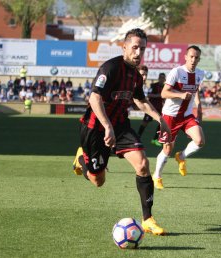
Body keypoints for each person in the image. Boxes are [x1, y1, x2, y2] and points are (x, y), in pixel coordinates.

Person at [72, 28, 171, 236]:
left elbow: (141, 101)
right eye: (134, 47)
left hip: (120, 126)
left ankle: (147, 219)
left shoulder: (136, 75)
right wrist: (107, 126)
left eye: (142, 49)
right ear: (124, 47)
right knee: (97, 181)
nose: (138, 53)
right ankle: (81, 159)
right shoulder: (110, 68)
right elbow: (94, 98)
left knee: (143, 164)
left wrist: (160, 119)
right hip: (95, 127)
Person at [153, 45, 206, 190]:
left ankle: (181, 156)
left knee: (200, 141)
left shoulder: (200, 74)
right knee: (167, 149)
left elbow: (195, 93)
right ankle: (156, 176)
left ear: (199, 59)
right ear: (186, 57)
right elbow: (164, 93)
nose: (193, 60)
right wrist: (180, 95)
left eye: (196, 57)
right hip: (171, 115)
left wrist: (199, 108)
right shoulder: (176, 72)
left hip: (187, 115)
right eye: (191, 57)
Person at [138, 71, 166, 146]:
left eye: (163, 78)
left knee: (161, 123)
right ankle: (137, 137)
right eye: (161, 78)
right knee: (145, 123)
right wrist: (159, 95)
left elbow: (164, 98)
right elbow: (149, 95)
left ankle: (155, 139)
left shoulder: (165, 87)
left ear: (165, 79)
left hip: (159, 108)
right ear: (159, 78)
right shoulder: (153, 85)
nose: (162, 79)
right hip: (151, 108)